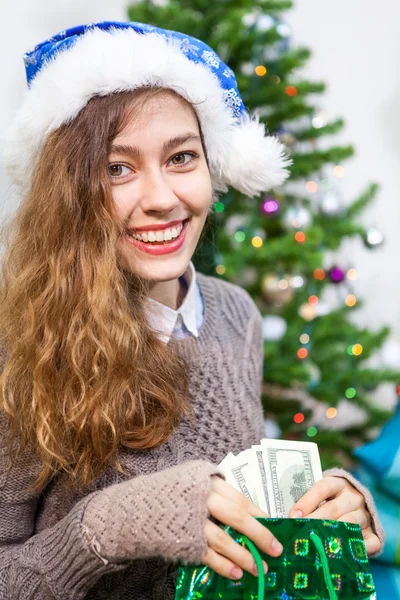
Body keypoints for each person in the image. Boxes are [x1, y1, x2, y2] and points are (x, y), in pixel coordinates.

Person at [0, 21, 384, 600]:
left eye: (181, 157)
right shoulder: (20, 343)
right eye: (118, 168)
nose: (160, 198)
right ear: (71, 189)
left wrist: (328, 512)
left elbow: (246, 524)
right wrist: (103, 527)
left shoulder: (237, 314)